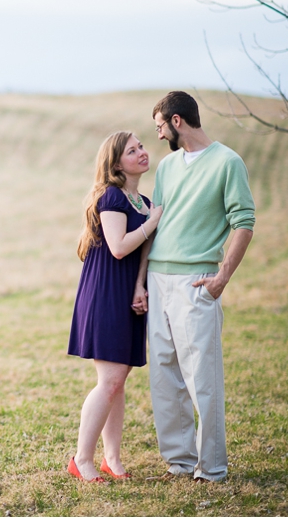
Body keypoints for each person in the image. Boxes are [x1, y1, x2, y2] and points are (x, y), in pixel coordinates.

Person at [144, 91, 255, 483]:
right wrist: (143, 282)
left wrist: (222, 277)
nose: (157, 135)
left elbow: (244, 222)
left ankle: (212, 467)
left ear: (177, 121)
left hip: (197, 281)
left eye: (160, 126)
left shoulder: (228, 162)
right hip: (158, 280)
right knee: (163, 372)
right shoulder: (166, 167)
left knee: (202, 377)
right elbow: (154, 225)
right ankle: (179, 461)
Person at [67, 131, 163, 483]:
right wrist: (153, 222)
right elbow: (119, 246)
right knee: (109, 380)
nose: (141, 152)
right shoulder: (111, 197)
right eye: (131, 150)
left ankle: (112, 459)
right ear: (116, 163)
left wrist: (140, 285)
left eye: (140, 146)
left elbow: (142, 252)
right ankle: (81, 459)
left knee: (118, 382)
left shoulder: (142, 200)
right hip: (104, 293)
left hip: (126, 292)